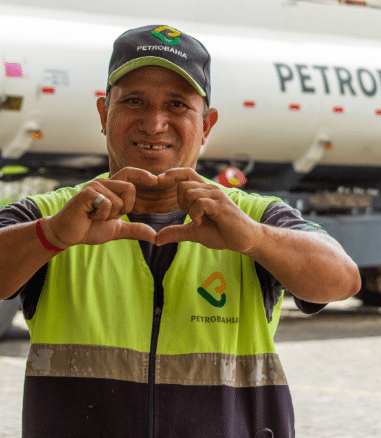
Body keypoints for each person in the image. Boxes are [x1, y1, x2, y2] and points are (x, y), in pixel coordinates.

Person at [0, 24, 360, 438]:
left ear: (207, 125)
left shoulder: (250, 217)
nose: (155, 124)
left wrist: (256, 240)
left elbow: (343, 280)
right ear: (104, 114)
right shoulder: (55, 215)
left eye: (177, 105)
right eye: (134, 101)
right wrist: (53, 236)